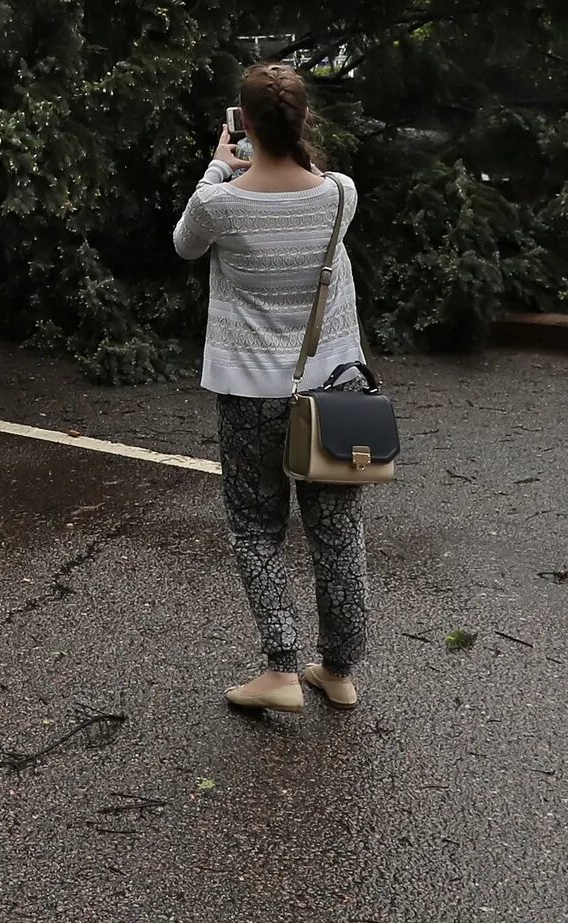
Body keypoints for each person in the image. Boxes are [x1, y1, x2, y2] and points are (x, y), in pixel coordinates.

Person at [173, 62, 373, 715]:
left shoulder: (218, 201)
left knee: (257, 524)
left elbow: (185, 244)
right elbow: (300, 189)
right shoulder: (341, 193)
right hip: (336, 389)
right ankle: (338, 670)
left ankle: (282, 666)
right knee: (337, 530)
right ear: (306, 118)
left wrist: (217, 164)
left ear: (246, 124)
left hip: (251, 393)